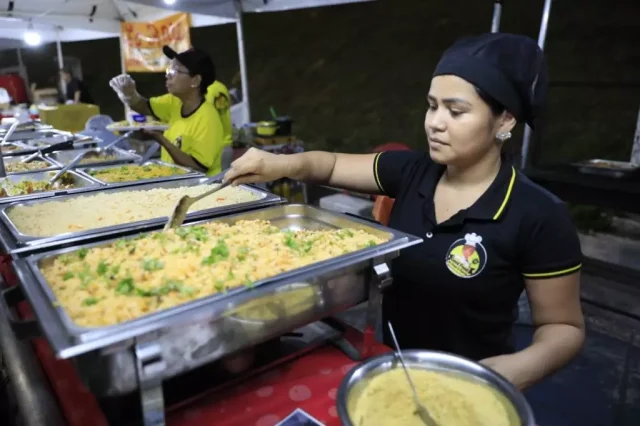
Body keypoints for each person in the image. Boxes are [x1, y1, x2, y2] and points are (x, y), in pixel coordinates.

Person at [224, 33, 585, 390]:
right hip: (394, 371)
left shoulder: (536, 213)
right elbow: (330, 166)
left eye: (456, 111)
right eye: (432, 106)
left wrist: (505, 374)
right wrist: (278, 163)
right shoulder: (412, 172)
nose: (435, 122)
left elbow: (564, 329)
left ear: (505, 120)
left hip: (468, 387)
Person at [109, 46, 225, 175]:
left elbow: (197, 167)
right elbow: (144, 107)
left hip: (199, 189)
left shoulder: (208, 118)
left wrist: (161, 139)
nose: (168, 76)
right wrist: (129, 94)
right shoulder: (174, 102)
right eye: (169, 70)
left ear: (195, 80)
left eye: (175, 71)